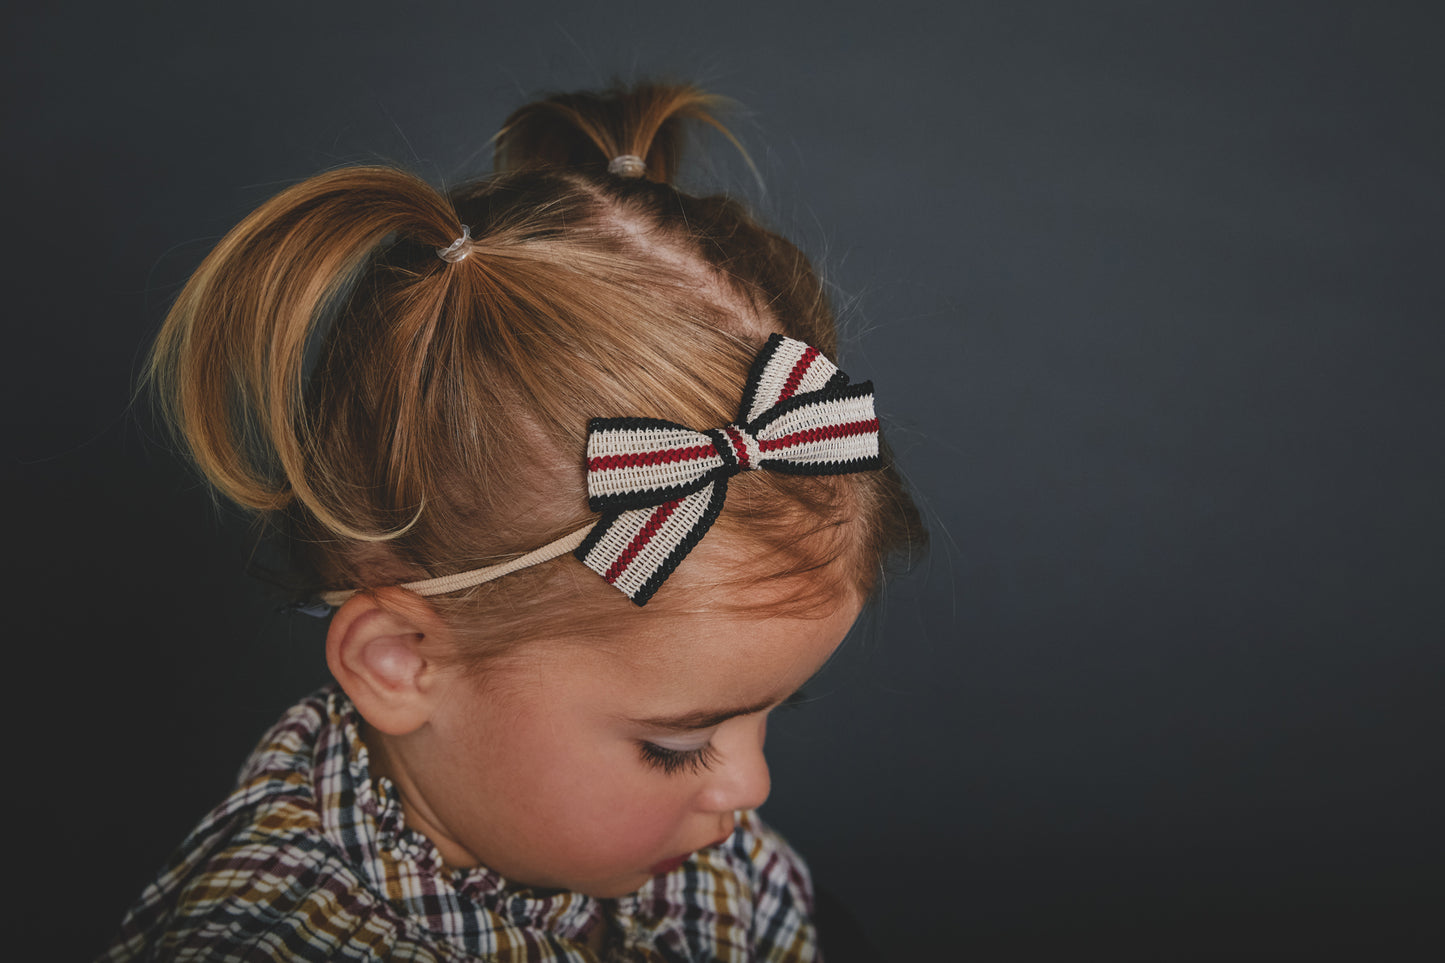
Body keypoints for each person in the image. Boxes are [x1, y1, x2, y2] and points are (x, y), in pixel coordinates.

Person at [103, 82, 923, 962]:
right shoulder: (268, 941)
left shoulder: (709, 871)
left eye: (766, 711)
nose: (748, 787)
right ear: (401, 660)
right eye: (675, 745)